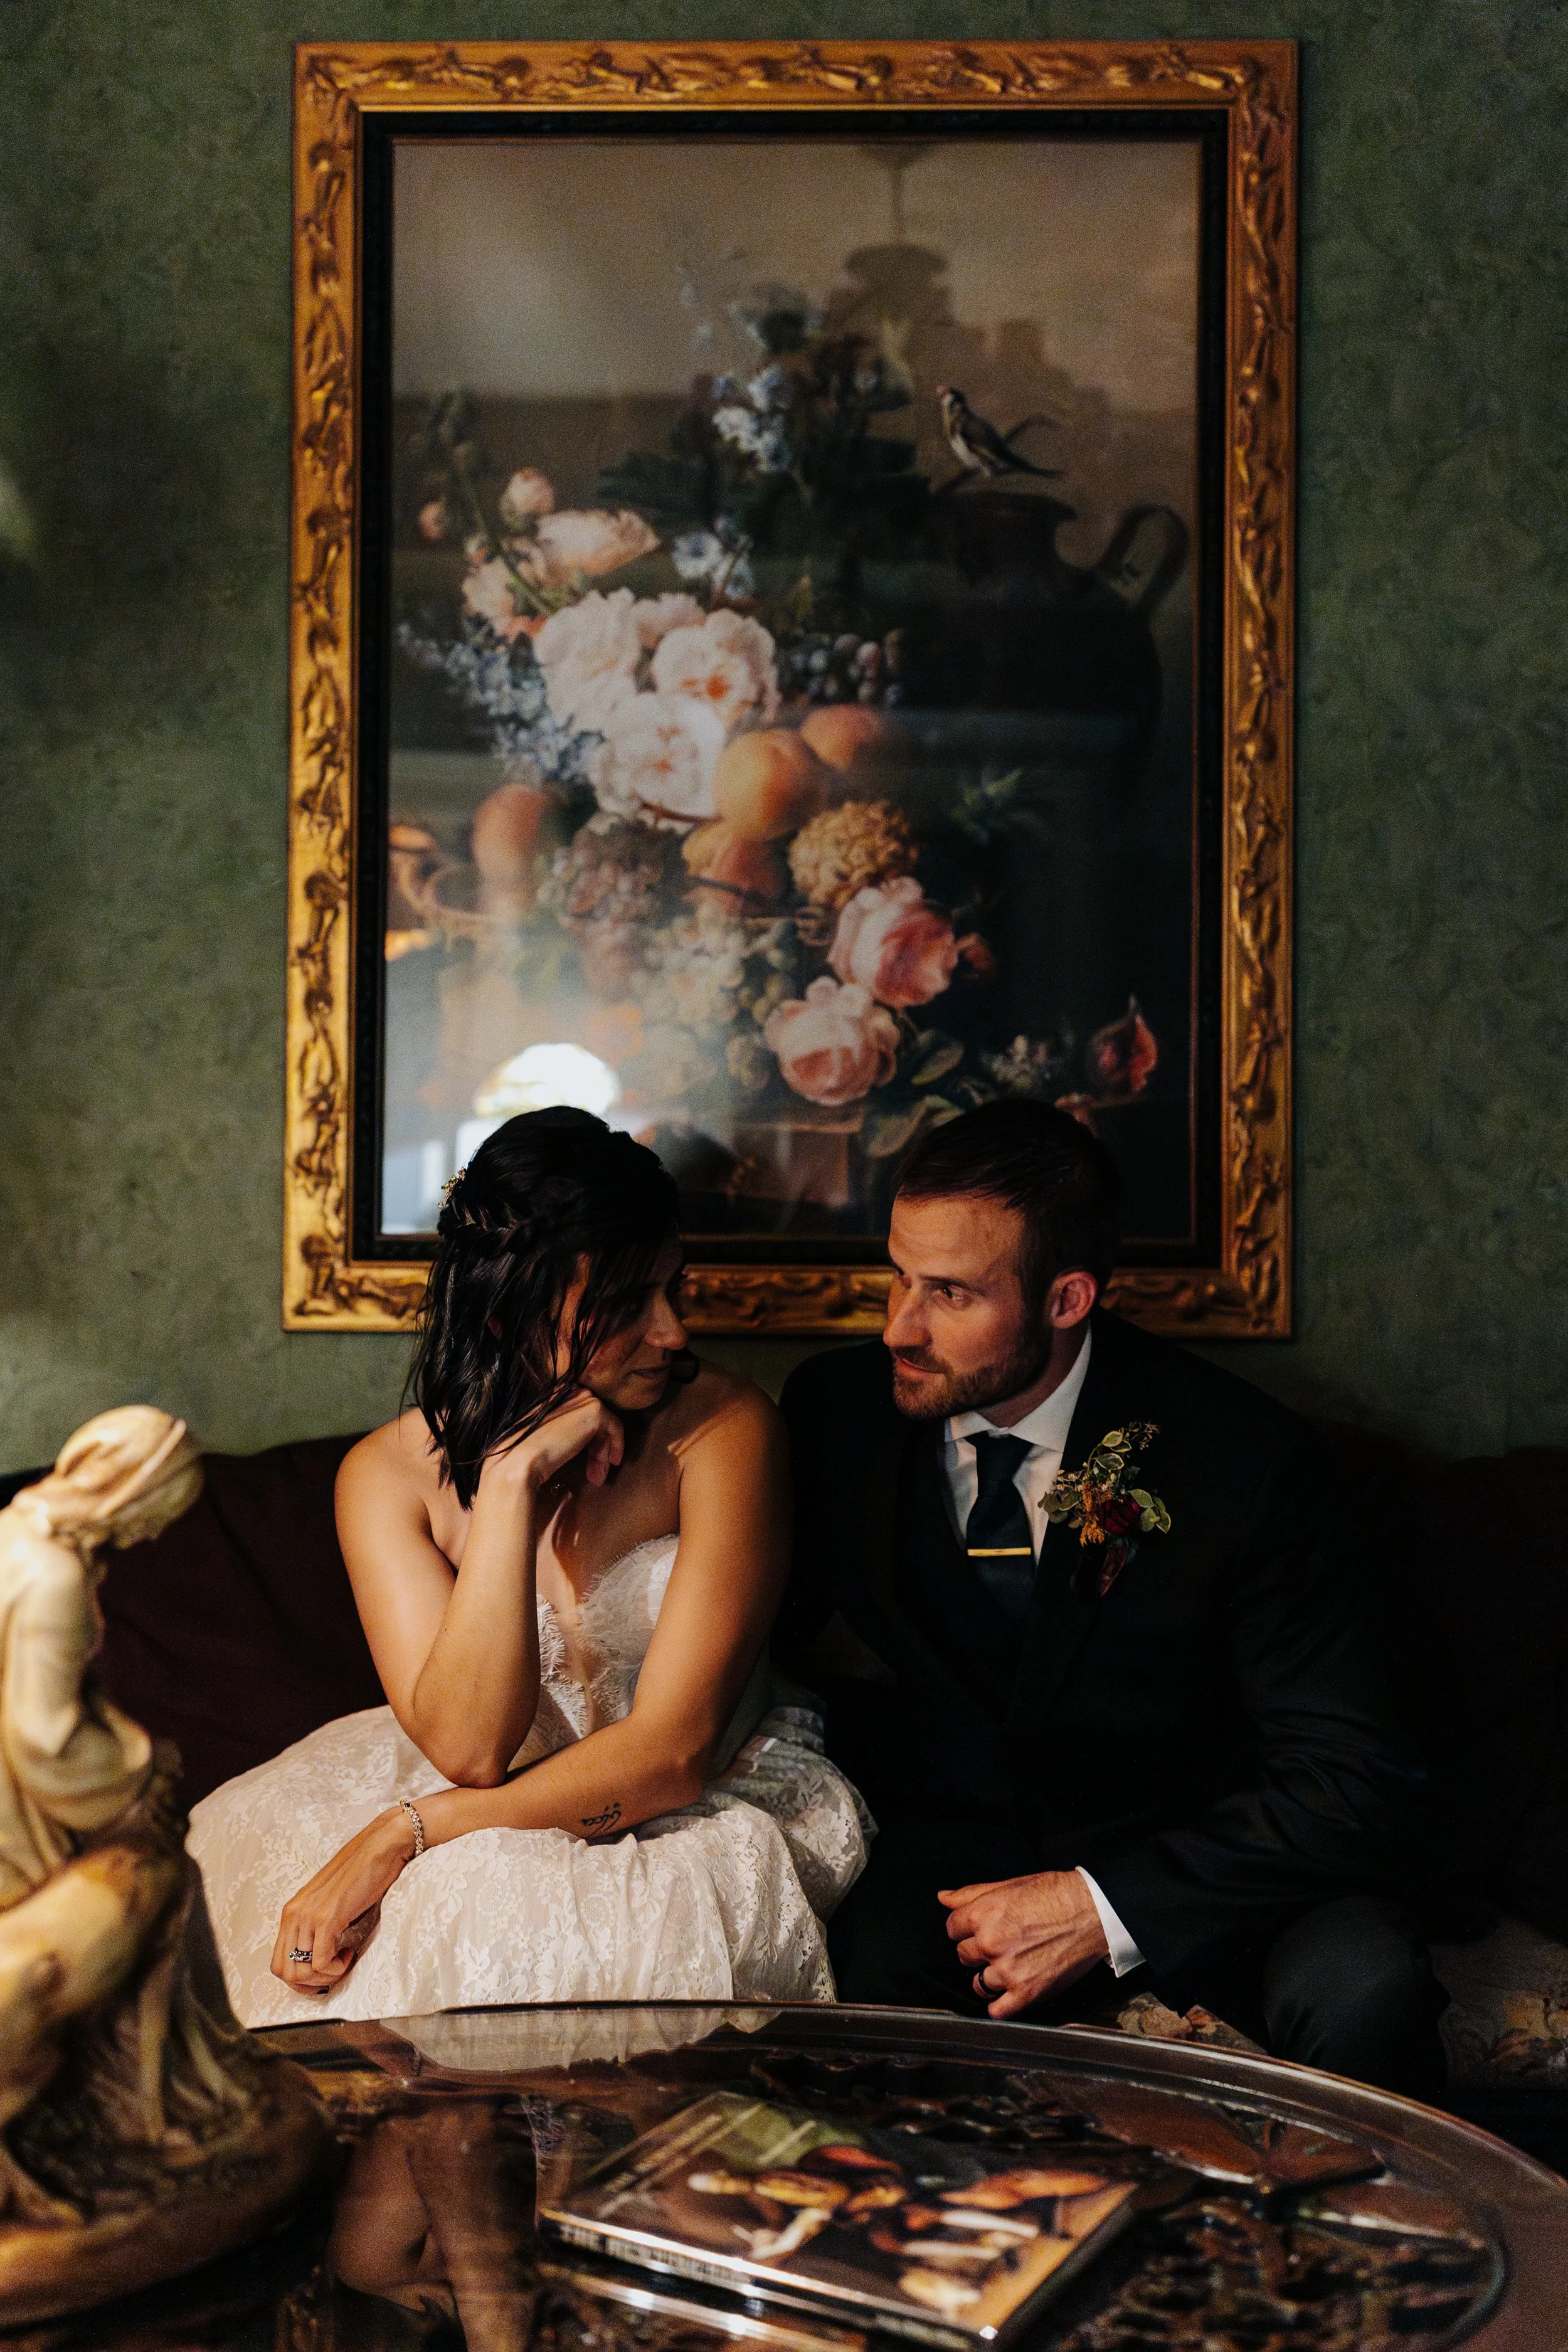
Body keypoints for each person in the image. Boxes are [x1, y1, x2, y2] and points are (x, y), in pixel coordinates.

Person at [779, 1101, 1446, 2094]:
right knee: (866, 1982)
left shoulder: (1247, 1462)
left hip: (1210, 1869)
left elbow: (1355, 1779)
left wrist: (1103, 1907)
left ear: (1067, 1298)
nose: (898, 1327)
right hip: (957, 1867)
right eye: (899, 1275)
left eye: (951, 1293)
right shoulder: (837, 1412)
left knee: (1368, 1985)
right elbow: (755, 1636)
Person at [188, 1110, 870, 2027]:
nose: (670, 1332)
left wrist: (406, 1831)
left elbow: (672, 1757)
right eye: (626, 1303)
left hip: (701, 1804)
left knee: (536, 1904)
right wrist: (509, 1488)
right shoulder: (385, 1478)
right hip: (491, 1789)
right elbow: (471, 1748)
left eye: (675, 1286)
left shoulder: (727, 1430)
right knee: (436, 1924)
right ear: (512, 1313)